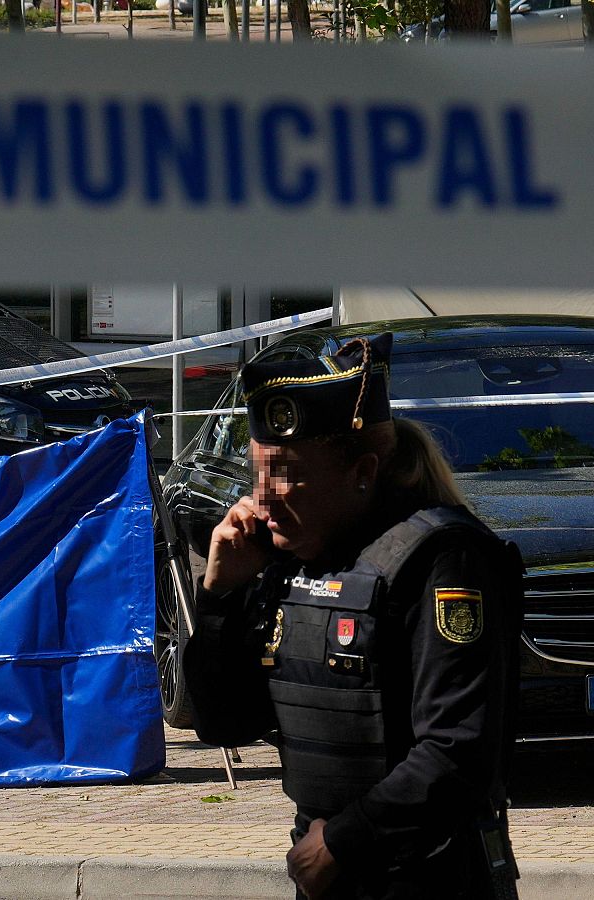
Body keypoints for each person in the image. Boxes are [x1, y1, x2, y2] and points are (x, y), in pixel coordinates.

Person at [182, 334, 524, 900]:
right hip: (332, 870)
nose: (262, 500)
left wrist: (341, 843)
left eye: (287, 473)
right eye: (257, 473)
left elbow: (458, 753)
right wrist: (221, 594)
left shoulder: (442, 561)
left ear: (363, 470)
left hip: (428, 879)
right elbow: (225, 721)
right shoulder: (289, 554)